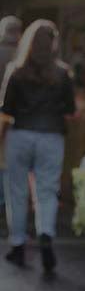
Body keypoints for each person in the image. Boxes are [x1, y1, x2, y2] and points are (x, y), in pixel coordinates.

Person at [0, 20, 75, 273]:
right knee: (46, 191)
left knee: (17, 192)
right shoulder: (63, 73)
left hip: (20, 135)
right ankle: (46, 236)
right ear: (53, 43)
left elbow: (6, 109)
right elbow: (70, 109)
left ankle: (18, 245)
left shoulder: (16, 70)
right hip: (51, 136)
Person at [0, 16, 22, 210]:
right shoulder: (23, 55)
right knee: (7, 163)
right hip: (16, 116)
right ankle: (5, 203)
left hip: (4, 112)